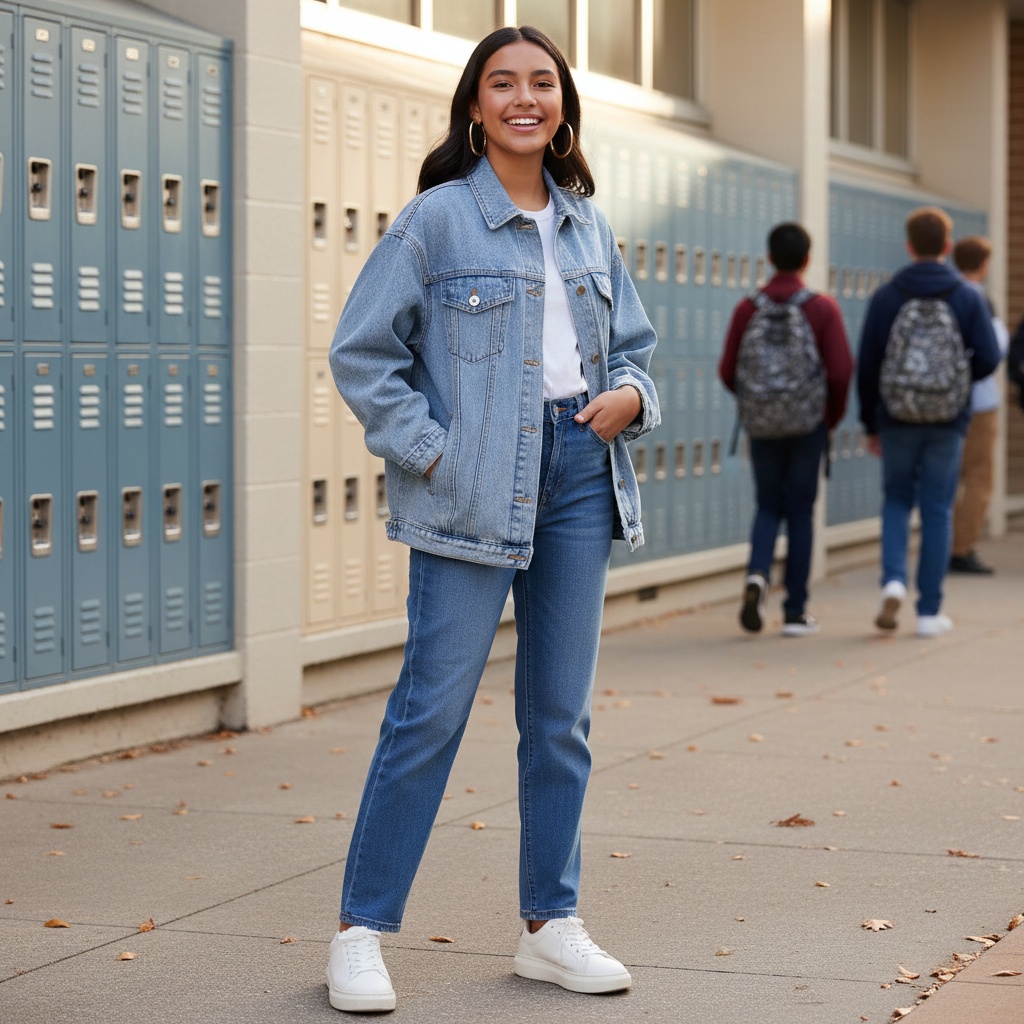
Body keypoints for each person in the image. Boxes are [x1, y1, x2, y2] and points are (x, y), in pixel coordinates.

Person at [325, 25, 659, 1014]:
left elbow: (634, 350)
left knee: (559, 721)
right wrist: (431, 450)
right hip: (473, 486)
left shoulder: (588, 226)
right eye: (502, 82)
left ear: (563, 106)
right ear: (475, 106)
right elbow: (361, 354)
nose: (524, 97)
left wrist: (631, 399)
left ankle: (549, 927)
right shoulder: (435, 221)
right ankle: (361, 930)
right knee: (428, 712)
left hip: (577, 479)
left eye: (541, 82)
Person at [857, 207, 1001, 638]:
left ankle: (894, 579)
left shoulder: (888, 296)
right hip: (947, 420)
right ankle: (928, 612)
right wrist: (955, 385)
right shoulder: (967, 296)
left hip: (897, 417)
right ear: (946, 247)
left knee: (897, 500)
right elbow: (990, 358)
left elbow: (869, 365)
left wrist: (871, 423)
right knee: (937, 508)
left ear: (908, 245)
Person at [718, 223, 853, 637]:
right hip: (807, 425)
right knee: (800, 512)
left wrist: (758, 403)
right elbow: (842, 369)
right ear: (807, 259)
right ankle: (795, 610)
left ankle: (757, 575)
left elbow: (728, 370)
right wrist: (827, 416)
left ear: (770, 258)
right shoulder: (821, 308)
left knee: (768, 506)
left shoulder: (748, 307)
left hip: (762, 425)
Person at [949, 236, 1009, 574]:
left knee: (945, 476)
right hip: (979, 401)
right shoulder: (981, 298)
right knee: (978, 477)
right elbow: (995, 349)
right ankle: (961, 547)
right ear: (984, 264)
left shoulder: (943, 292)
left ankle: (940, 542)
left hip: (938, 400)